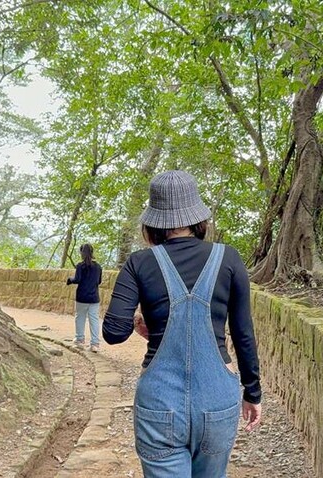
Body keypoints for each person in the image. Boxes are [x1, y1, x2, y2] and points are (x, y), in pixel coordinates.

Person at [103, 170, 262, 478]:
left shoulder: (139, 262)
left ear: (152, 221)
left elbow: (113, 333)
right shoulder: (228, 258)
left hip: (160, 402)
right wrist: (253, 393)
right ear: (197, 217)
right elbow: (244, 333)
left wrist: (139, 320)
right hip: (217, 401)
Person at [67, 243, 103, 353]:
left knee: (80, 318)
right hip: (94, 298)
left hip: (82, 297)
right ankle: (95, 344)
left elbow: (77, 279)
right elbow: (99, 281)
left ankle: (79, 340)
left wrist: (70, 279)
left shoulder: (80, 266)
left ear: (82, 253)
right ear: (92, 253)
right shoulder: (98, 267)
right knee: (94, 320)